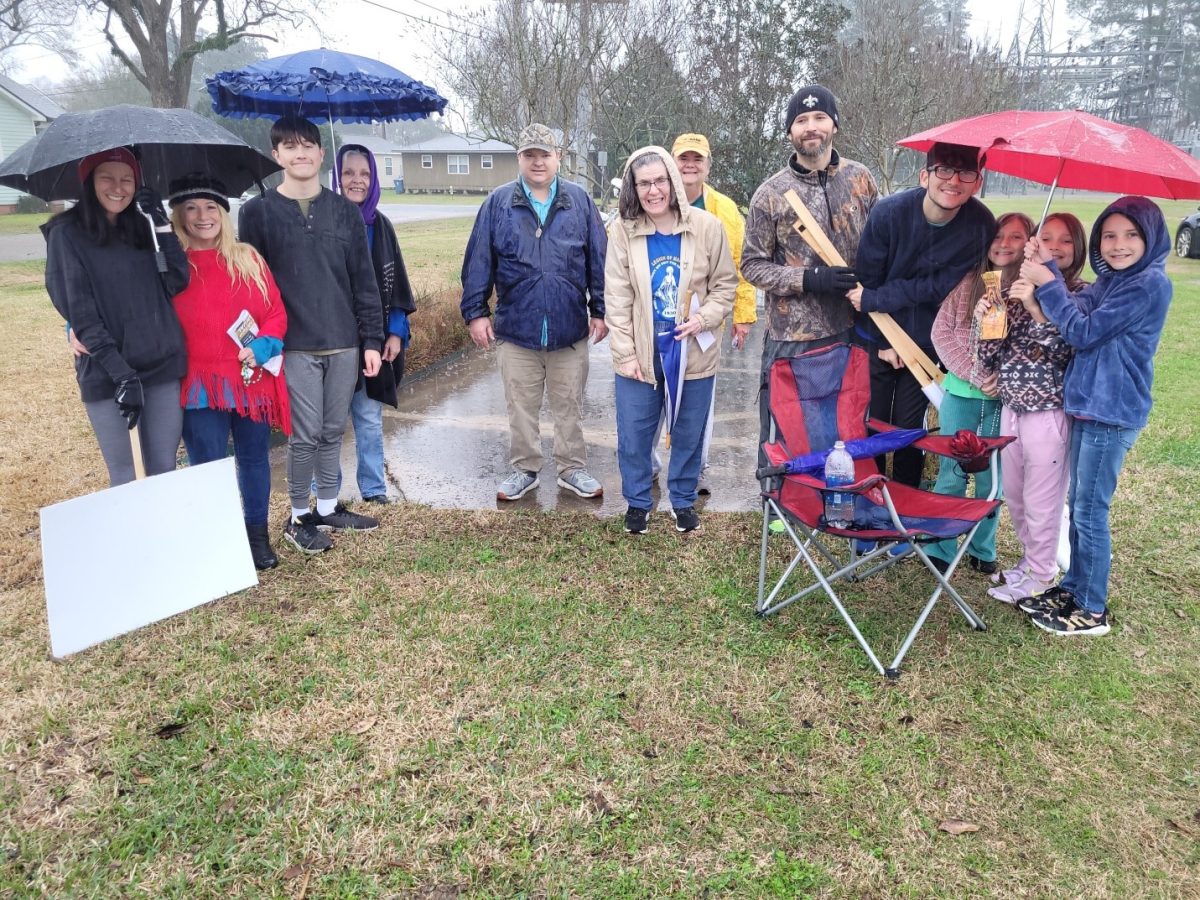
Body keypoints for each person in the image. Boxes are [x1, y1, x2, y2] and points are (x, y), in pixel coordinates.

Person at [1014, 197, 1172, 636]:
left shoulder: (1149, 285)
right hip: (1086, 405)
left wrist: (1047, 283)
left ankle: (1092, 608)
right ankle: (1073, 587)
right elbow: (1077, 312)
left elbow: (1082, 332)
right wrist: (1047, 267)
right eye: (1110, 235)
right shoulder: (1113, 281)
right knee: (1079, 504)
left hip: (1112, 410)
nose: (1118, 245)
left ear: (1151, 238)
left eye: (1131, 235)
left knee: (1089, 511)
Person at [238, 115, 384, 554]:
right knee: (303, 435)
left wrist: (372, 340)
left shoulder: (344, 212)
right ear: (276, 155)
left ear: (322, 154)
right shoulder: (257, 213)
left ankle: (325, 506)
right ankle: (298, 515)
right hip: (293, 344)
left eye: (308, 145)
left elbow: (364, 280)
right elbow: (253, 284)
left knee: (332, 428)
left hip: (343, 340)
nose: (300, 153)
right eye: (290, 146)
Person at [460, 123, 608, 502]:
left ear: (559, 158)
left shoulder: (580, 201)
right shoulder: (498, 203)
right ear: (519, 159)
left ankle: (572, 468)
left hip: (569, 329)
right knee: (520, 407)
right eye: (530, 155)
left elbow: (598, 259)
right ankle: (524, 469)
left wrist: (600, 309)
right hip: (518, 330)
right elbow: (479, 260)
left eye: (545, 154)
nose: (537, 162)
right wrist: (476, 312)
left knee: (569, 405)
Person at [741, 85, 878, 467]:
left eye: (819, 118)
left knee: (845, 428)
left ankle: (839, 498)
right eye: (801, 121)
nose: (810, 127)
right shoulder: (771, 193)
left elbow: (879, 247)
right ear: (790, 132)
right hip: (794, 339)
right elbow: (752, 265)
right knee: (787, 428)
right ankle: (780, 506)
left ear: (834, 124)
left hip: (853, 329)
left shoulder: (861, 180)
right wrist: (808, 279)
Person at [604, 146, 737, 534]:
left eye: (660, 180)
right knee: (634, 434)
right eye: (643, 183)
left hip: (693, 353)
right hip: (642, 355)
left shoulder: (707, 227)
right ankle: (638, 502)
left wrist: (703, 319)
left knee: (689, 432)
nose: (653, 191)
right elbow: (617, 297)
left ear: (674, 182)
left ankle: (682, 499)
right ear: (633, 188)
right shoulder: (623, 232)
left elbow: (725, 285)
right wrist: (625, 354)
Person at [849, 142, 995, 487]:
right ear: (925, 175)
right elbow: (865, 283)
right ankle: (869, 499)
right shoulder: (888, 214)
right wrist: (885, 340)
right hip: (878, 335)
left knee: (910, 427)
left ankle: (904, 501)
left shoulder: (979, 224)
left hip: (928, 340)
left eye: (966, 173)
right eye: (944, 170)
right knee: (874, 422)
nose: (954, 181)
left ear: (978, 182)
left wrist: (877, 298)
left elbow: (939, 288)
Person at [44, 148, 189, 486]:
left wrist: (161, 224)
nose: (118, 187)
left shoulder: (142, 226)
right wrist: (123, 376)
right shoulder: (66, 235)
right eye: (107, 177)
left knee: (163, 468)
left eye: (127, 179)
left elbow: (177, 281)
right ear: (89, 181)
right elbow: (80, 313)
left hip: (161, 365)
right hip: (109, 371)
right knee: (126, 475)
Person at [168, 173, 291, 571]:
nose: (202, 216)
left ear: (223, 212)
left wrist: (261, 347)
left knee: (254, 459)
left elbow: (275, 313)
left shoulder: (248, 259)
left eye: (210, 207)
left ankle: (257, 536)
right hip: (199, 383)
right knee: (208, 462)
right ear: (179, 216)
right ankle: (215, 539)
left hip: (249, 380)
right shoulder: (170, 265)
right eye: (191, 208)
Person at [976, 212, 1086, 604]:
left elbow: (1066, 351)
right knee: (1018, 497)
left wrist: (1039, 308)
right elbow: (990, 357)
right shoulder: (1016, 290)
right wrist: (989, 319)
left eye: (1065, 240)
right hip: (1012, 409)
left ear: (1078, 249)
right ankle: (1030, 560)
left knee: (1043, 501)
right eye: (1047, 238)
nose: (1054, 246)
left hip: (1048, 413)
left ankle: (1042, 574)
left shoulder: (1081, 294)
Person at [925, 212, 1035, 575]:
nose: (1004, 244)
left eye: (1016, 237)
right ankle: (942, 543)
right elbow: (943, 333)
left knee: (993, 477)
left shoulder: (1031, 290)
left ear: (1030, 243)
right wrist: (975, 372)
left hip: (1005, 400)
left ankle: (982, 547)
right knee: (952, 470)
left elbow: (1034, 346)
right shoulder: (970, 282)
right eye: (998, 236)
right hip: (961, 393)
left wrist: (1002, 377)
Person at [651, 133, 756, 492]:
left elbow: (740, 267)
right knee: (651, 392)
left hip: (704, 324)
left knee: (699, 401)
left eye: (697, 159)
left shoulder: (725, 210)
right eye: (683, 159)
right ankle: (649, 462)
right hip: (658, 319)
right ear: (672, 163)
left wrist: (742, 316)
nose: (690, 165)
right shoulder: (654, 200)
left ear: (708, 165)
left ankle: (695, 468)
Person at [333, 143, 417, 505]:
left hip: (374, 341)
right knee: (331, 424)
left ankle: (374, 488)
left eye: (364, 173)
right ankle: (327, 493)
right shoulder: (324, 223)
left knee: (368, 418)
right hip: (333, 341)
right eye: (348, 172)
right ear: (337, 176)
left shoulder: (380, 226)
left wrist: (395, 332)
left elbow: (396, 281)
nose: (357, 180)